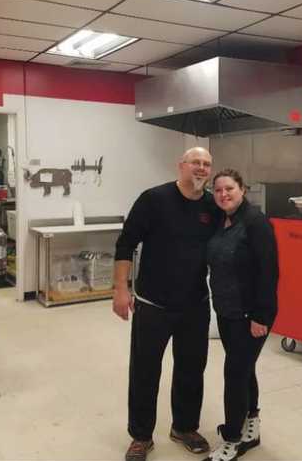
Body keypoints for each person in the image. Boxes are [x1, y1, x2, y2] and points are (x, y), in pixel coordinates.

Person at [113, 147, 221, 461]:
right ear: (181, 166)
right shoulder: (154, 200)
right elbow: (126, 243)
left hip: (195, 305)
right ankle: (141, 436)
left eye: (207, 164)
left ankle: (184, 427)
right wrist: (121, 289)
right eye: (196, 163)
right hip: (152, 304)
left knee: (191, 369)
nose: (201, 168)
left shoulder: (211, 206)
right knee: (145, 371)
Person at [204, 169, 278, 461]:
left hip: (252, 314)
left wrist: (260, 316)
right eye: (218, 190)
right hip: (227, 310)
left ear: (242, 189)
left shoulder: (256, 223)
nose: (223, 194)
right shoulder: (221, 221)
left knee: (234, 373)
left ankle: (232, 440)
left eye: (229, 189)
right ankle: (252, 428)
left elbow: (269, 272)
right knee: (244, 368)